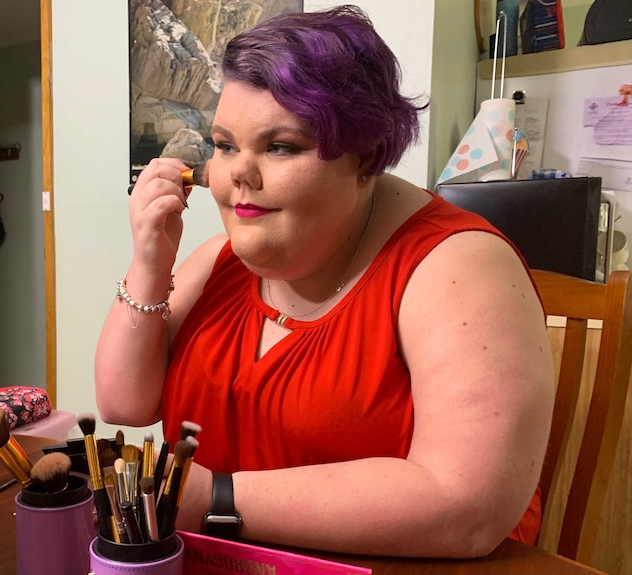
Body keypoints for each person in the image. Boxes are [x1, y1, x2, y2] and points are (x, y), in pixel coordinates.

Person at [95, 5, 554, 559]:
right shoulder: (221, 258)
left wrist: (213, 497)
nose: (237, 172)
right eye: (224, 145)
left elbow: (468, 508)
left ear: (366, 155)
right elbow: (124, 405)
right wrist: (149, 263)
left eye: (280, 146)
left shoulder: (458, 267)